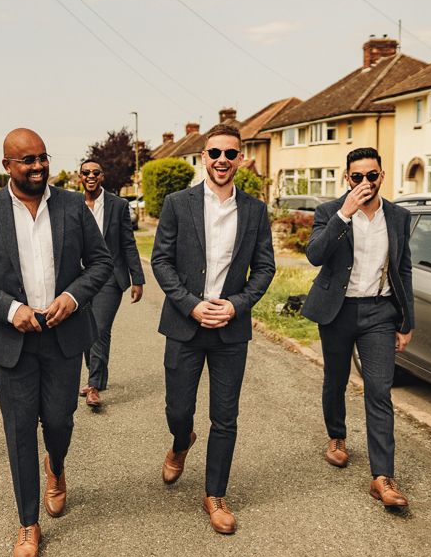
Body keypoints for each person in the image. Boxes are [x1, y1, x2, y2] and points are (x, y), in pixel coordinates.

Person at [0, 128, 112, 557]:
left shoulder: (71, 206)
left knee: (59, 421)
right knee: (20, 430)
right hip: (12, 345)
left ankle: (56, 466)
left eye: (43, 158)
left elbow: (100, 263)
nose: (39, 166)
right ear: (7, 165)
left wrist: (73, 297)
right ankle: (28, 522)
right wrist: (9, 309)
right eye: (28, 160)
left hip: (63, 339)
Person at [151, 123, 275, 534]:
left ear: (240, 159)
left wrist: (237, 306)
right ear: (203, 157)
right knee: (178, 410)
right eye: (215, 153)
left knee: (225, 417)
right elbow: (161, 262)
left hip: (229, 330)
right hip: (185, 326)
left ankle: (216, 494)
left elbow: (265, 268)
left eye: (230, 154)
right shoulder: (176, 203)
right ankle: (181, 441)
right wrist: (191, 305)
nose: (222, 160)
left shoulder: (255, 211)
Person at [302, 147, 415, 509]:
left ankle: (383, 478)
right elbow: (314, 255)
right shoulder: (328, 212)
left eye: (372, 176)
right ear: (346, 178)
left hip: (380, 313)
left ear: (382, 176)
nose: (365, 182)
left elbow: (404, 269)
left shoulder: (398, 217)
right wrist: (344, 214)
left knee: (379, 391)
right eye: (357, 177)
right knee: (335, 379)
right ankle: (337, 436)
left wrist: (406, 321)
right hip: (338, 310)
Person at [78, 159, 144, 408]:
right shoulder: (73, 204)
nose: (91, 176)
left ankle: (94, 386)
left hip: (109, 277)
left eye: (96, 172)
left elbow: (128, 242)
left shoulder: (118, 205)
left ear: (102, 176)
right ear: (80, 177)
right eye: (86, 173)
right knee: (85, 330)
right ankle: (95, 376)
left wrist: (137, 278)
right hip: (80, 278)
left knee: (100, 328)